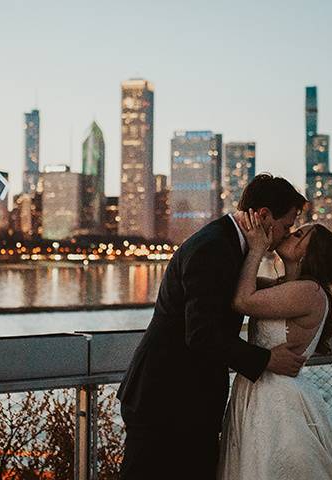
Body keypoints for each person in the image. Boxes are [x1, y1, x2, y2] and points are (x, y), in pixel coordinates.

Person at [117, 173, 308, 479]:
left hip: (185, 400)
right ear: (263, 216)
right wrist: (268, 359)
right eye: (287, 226)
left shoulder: (230, 246)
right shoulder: (214, 248)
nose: (288, 234)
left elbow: (257, 295)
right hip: (166, 400)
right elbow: (201, 334)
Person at [217, 210, 332, 479]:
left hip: (278, 402)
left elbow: (242, 301)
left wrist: (257, 248)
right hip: (255, 391)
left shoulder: (310, 292)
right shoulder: (284, 286)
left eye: (300, 234)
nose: (291, 234)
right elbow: (236, 282)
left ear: (309, 254)